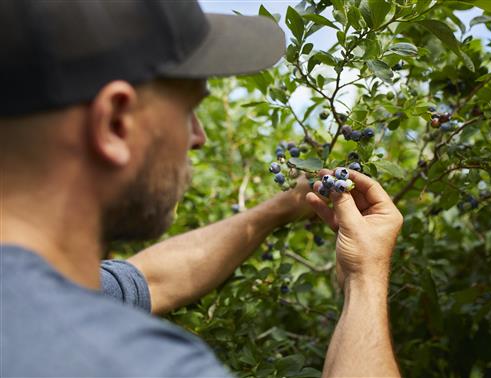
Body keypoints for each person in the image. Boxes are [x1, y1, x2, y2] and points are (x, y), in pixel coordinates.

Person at [0, 1, 403, 377]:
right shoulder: (135, 363)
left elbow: (150, 280)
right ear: (115, 124)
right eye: (189, 108)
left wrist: (279, 208)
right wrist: (366, 276)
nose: (200, 137)